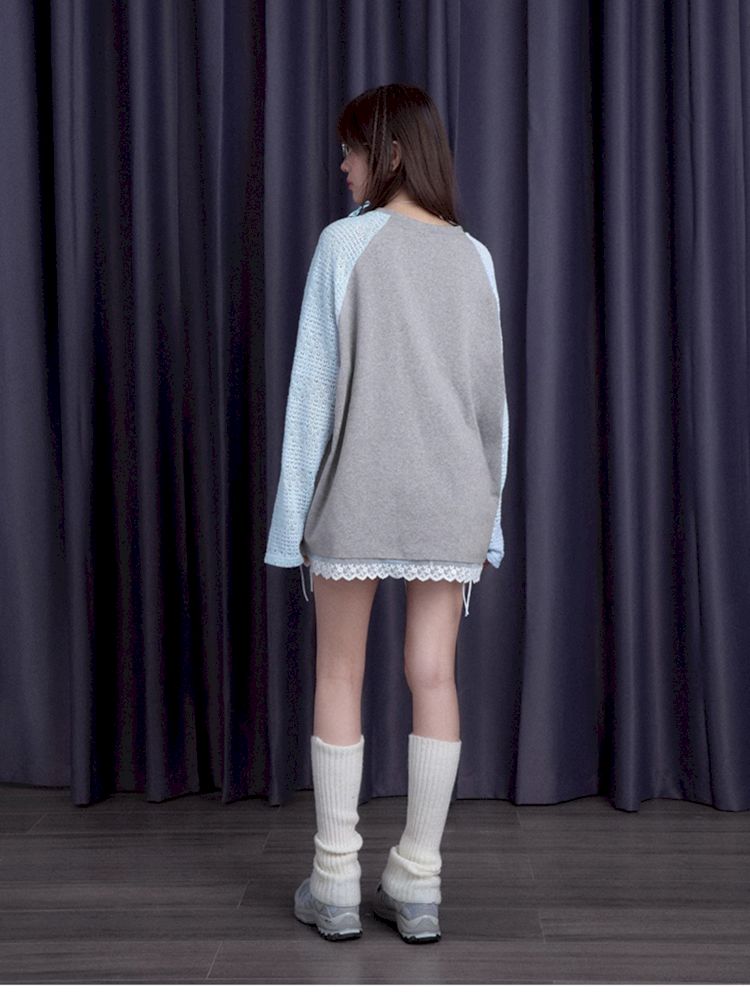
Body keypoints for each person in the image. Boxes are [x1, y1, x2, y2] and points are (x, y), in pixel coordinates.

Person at [264, 83, 509, 943]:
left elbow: (311, 396)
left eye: (353, 149)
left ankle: (335, 880)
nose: (343, 165)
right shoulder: (475, 258)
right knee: (433, 675)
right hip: (452, 497)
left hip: (359, 493)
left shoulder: (345, 244)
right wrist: (489, 521)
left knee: (340, 673)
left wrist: (290, 523)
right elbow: (492, 409)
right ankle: (418, 882)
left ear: (391, 154)